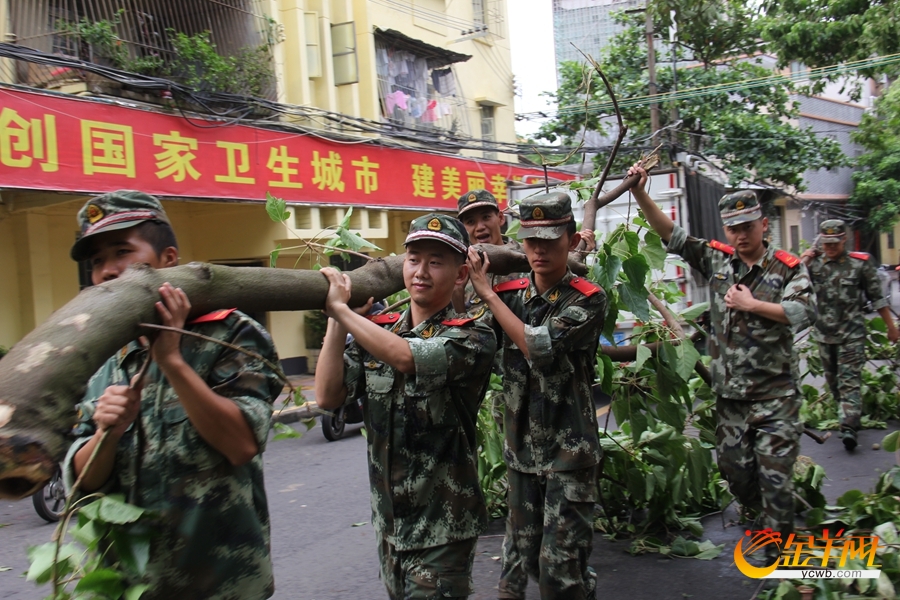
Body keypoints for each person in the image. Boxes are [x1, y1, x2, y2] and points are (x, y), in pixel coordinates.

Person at [62, 191, 282, 600]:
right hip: (131, 585)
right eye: (96, 262)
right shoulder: (102, 355)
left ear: (168, 260)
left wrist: (172, 362)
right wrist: (106, 434)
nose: (107, 271)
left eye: (122, 252)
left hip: (224, 582)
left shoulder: (230, 335)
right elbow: (84, 484)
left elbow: (241, 445)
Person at [628, 164, 816, 555]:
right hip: (731, 398)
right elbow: (671, 234)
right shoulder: (717, 261)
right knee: (738, 475)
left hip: (776, 397)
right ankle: (770, 517)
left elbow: (803, 312)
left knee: (775, 478)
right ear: (726, 229)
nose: (741, 235)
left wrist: (754, 304)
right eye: (734, 228)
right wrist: (642, 193)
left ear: (764, 225)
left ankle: (778, 556)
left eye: (748, 226)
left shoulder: (787, 268)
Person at [314, 213, 497, 600]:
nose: (421, 272)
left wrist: (343, 312)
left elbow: (406, 359)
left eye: (436, 261)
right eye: (414, 259)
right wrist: (337, 323)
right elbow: (329, 397)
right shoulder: (380, 329)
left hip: (443, 528)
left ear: (461, 274)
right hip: (391, 524)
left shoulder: (474, 335)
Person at [467, 192, 607, 600]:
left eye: (549, 239)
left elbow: (539, 348)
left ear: (570, 237)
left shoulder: (587, 297)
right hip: (522, 456)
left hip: (570, 457)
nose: (539, 250)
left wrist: (487, 294)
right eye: (531, 241)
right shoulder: (511, 293)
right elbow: (470, 338)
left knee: (558, 575)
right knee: (527, 562)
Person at [801, 219, 899, 450]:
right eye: (826, 243)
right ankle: (847, 414)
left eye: (835, 242)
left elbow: (877, 298)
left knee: (849, 383)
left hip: (851, 334)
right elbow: (793, 283)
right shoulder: (813, 265)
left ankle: (849, 427)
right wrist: (804, 259)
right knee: (834, 383)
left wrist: (891, 327)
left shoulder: (859, 265)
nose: (830, 247)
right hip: (824, 336)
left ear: (844, 239)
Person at [454, 189, 597, 317]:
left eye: (486, 217)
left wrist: (578, 253)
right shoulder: (461, 273)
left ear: (501, 218)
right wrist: (457, 295)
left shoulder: (534, 261)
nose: (480, 227)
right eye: (470, 221)